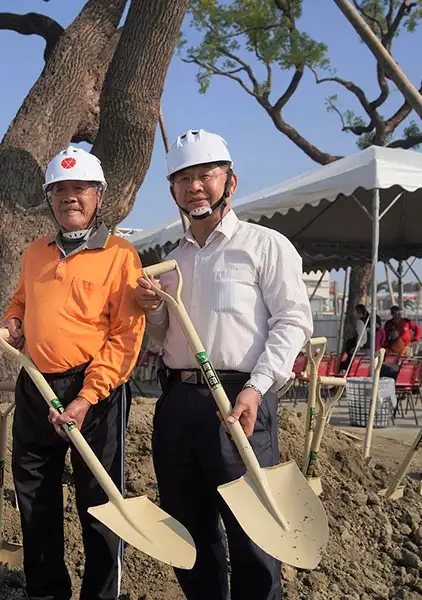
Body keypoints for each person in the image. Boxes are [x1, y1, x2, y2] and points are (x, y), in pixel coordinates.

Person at [134, 129, 313, 600]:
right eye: (184, 178)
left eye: (205, 176)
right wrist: (153, 308)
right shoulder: (171, 261)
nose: (195, 186)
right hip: (177, 402)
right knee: (190, 528)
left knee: (253, 531)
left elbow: (293, 321)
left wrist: (256, 388)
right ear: (173, 190)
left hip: (240, 399)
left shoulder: (265, 245)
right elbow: (163, 338)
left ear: (230, 182)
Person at [2, 146, 146, 600]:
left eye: (79, 189)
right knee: (35, 499)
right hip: (36, 386)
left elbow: (126, 336)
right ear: (50, 198)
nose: (70, 198)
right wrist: (13, 322)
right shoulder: (35, 253)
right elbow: (22, 301)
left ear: (99, 196)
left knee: (100, 505)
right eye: (60, 190)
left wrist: (87, 397)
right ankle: (45, 593)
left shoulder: (121, 256)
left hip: (95, 392)